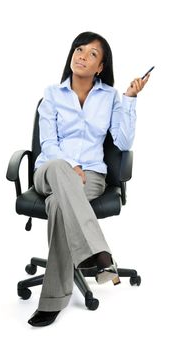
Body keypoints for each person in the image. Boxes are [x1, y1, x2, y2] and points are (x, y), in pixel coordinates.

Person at [28, 31, 150, 327]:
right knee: (58, 169)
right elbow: (48, 142)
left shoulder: (110, 98)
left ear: (100, 67)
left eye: (92, 54)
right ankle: (100, 253)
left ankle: (52, 302)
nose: (82, 56)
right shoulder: (52, 94)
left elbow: (122, 143)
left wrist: (130, 99)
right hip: (51, 171)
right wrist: (69, 166)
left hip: (92, 177)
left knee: (59, 204)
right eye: (78, 49)